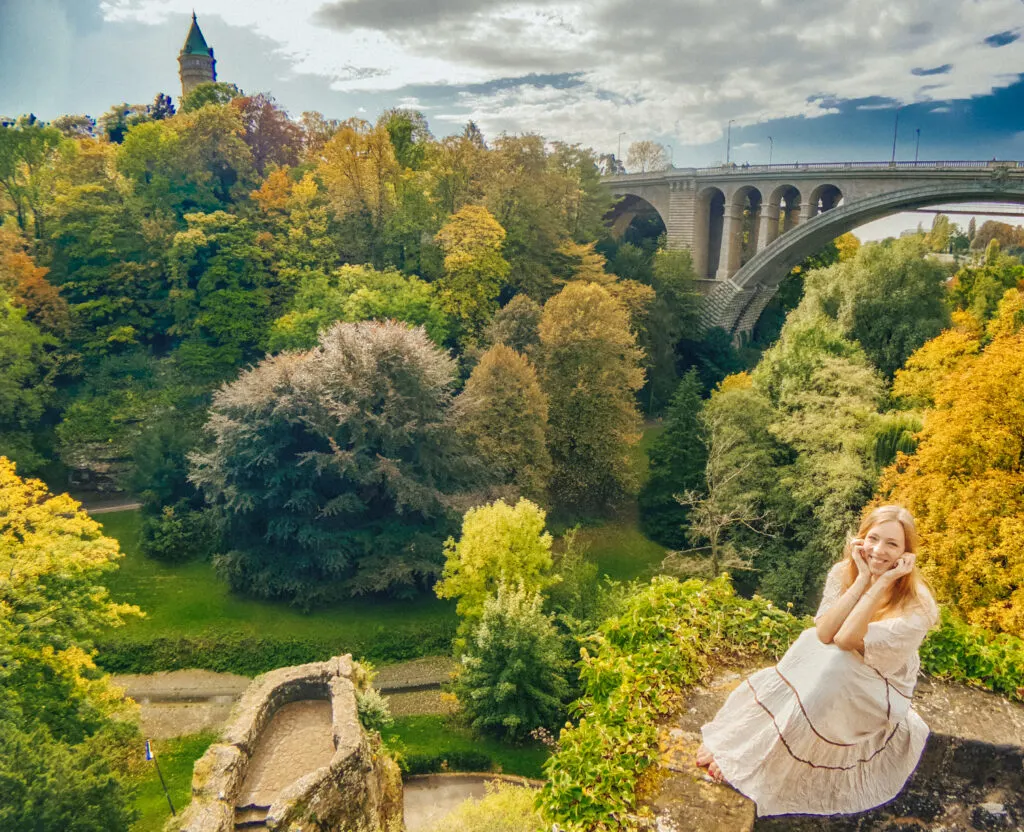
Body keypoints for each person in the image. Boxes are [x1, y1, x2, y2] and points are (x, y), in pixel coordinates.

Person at [696, 505, 939, 817]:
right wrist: (863, 577)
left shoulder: (918, 605)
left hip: (881, 688)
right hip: (839, 668)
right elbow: (825, 631)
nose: (879, 550)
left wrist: (880, 583)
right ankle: (746, 749)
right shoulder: (843, 573)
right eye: (873, 539)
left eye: (892, 544)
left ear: (907, 554)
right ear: (860, 540)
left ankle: (762, 765)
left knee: (833, 665)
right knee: (811, 644)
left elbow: (846, 639)